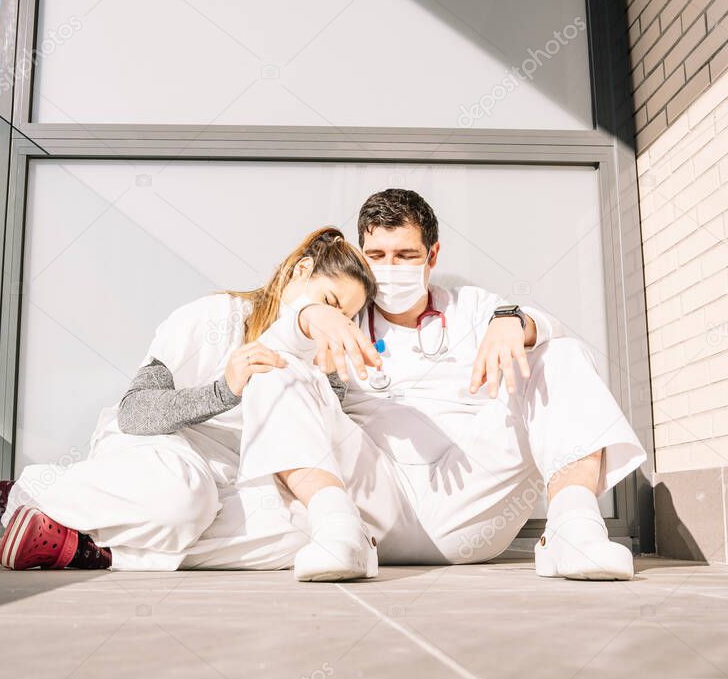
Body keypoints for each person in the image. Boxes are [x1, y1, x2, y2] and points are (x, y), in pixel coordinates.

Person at [0, 227, 381, 581]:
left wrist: (332, 379)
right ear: (301, 273)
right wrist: (224, 390)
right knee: (186, 495)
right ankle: (6, 497)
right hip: (162, 451)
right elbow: (135, 411)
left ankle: (79, 547)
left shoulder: (320, 363)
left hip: (228, 477)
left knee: (303, 532)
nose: (334, 320)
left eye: (347, 315)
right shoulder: (215, 316)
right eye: (330, 301)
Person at [241, 188, 646, 580]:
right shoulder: (343, 314)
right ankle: (336, 532)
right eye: (377, 256)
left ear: (432, 255)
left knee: (561, 352)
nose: (390, 267)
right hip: (374, 504)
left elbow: (545, 329)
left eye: (406, 255)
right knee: (272, 368)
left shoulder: (471, 307)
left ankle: (573, 531)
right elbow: (267, 355)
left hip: (471, 497)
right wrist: (309, 315)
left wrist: (515, 321)